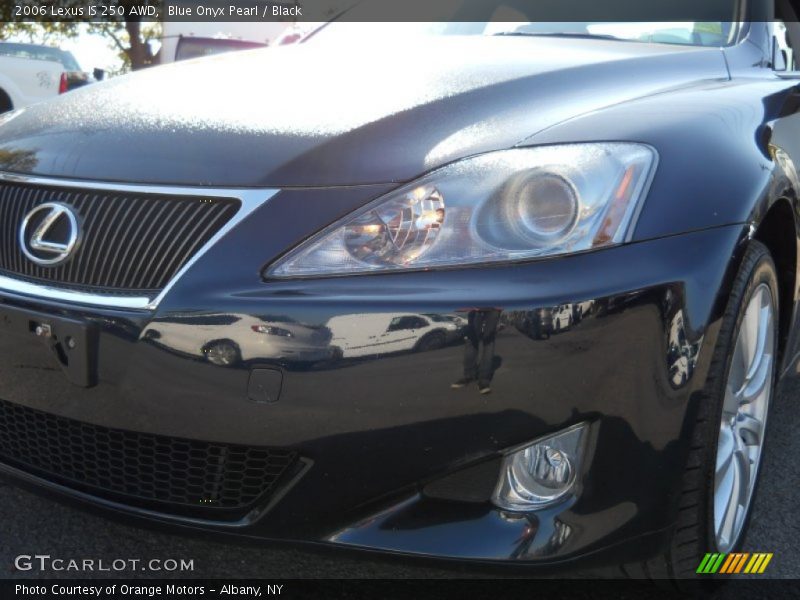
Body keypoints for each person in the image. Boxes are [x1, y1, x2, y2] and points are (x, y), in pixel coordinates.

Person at [451, 308, 502, 394]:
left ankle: (484, 379)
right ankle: (469, 375)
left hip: (493, 305)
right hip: (475, 305)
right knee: (471, 340)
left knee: (488, 341)